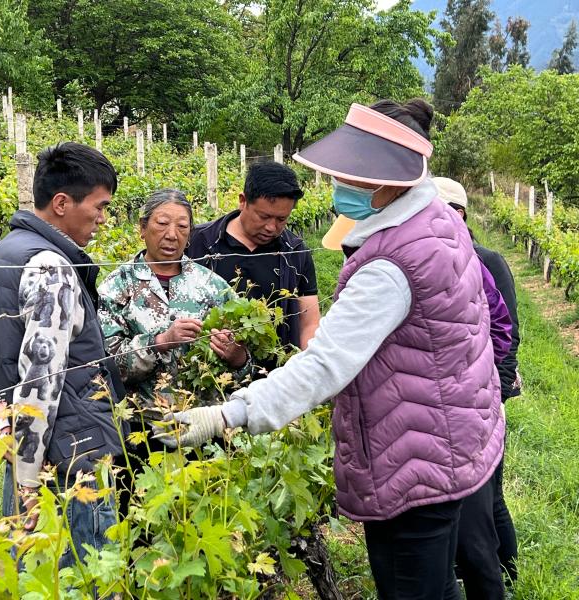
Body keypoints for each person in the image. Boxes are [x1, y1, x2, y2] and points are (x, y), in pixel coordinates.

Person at [157, 99, 506, 600]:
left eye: (351, 175)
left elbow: (326, 362)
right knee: (436, 584)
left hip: (413, 456)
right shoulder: (437, 220)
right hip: (449, 434)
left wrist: (227, 415)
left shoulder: (391, 265)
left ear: (387, 179)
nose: (340, 185)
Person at [0, 142, 127, 567]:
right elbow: (42, 377)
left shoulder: (3, 254)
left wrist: (1, 425)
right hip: (68, 457)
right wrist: (28, 478)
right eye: (99, 206)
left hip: (22, 446)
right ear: (61, 203)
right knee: (87, 575)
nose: (102, 219)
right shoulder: (51, 267)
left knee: (30, 575)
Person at [435, 176, 521, 591]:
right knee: (467, 503)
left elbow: (508, 333)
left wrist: (497, 392)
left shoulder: (487, 261)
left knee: (489, 499)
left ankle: (507, 574)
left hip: (485, 397)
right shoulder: (434, 261)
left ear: (461, 213)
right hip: (458, 402)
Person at [98, 189, 250, 411]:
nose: (172, 235)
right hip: (143, 422)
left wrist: (239, 358)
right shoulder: (116, 287)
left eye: (182, 227)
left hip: (204, 421)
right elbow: (106, 368)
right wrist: (160, 342)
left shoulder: (214, 286)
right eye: (162, 224)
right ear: (142, 228)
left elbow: (246, 368)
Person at [186, 162, 320, 368]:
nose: (271, 227)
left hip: (276, 375)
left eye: (282, 219)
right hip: (209, 371)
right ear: (243, 201)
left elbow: (309, 322)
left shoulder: (295, 252)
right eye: (264, 216)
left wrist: (306, 368)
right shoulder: (199, 242)